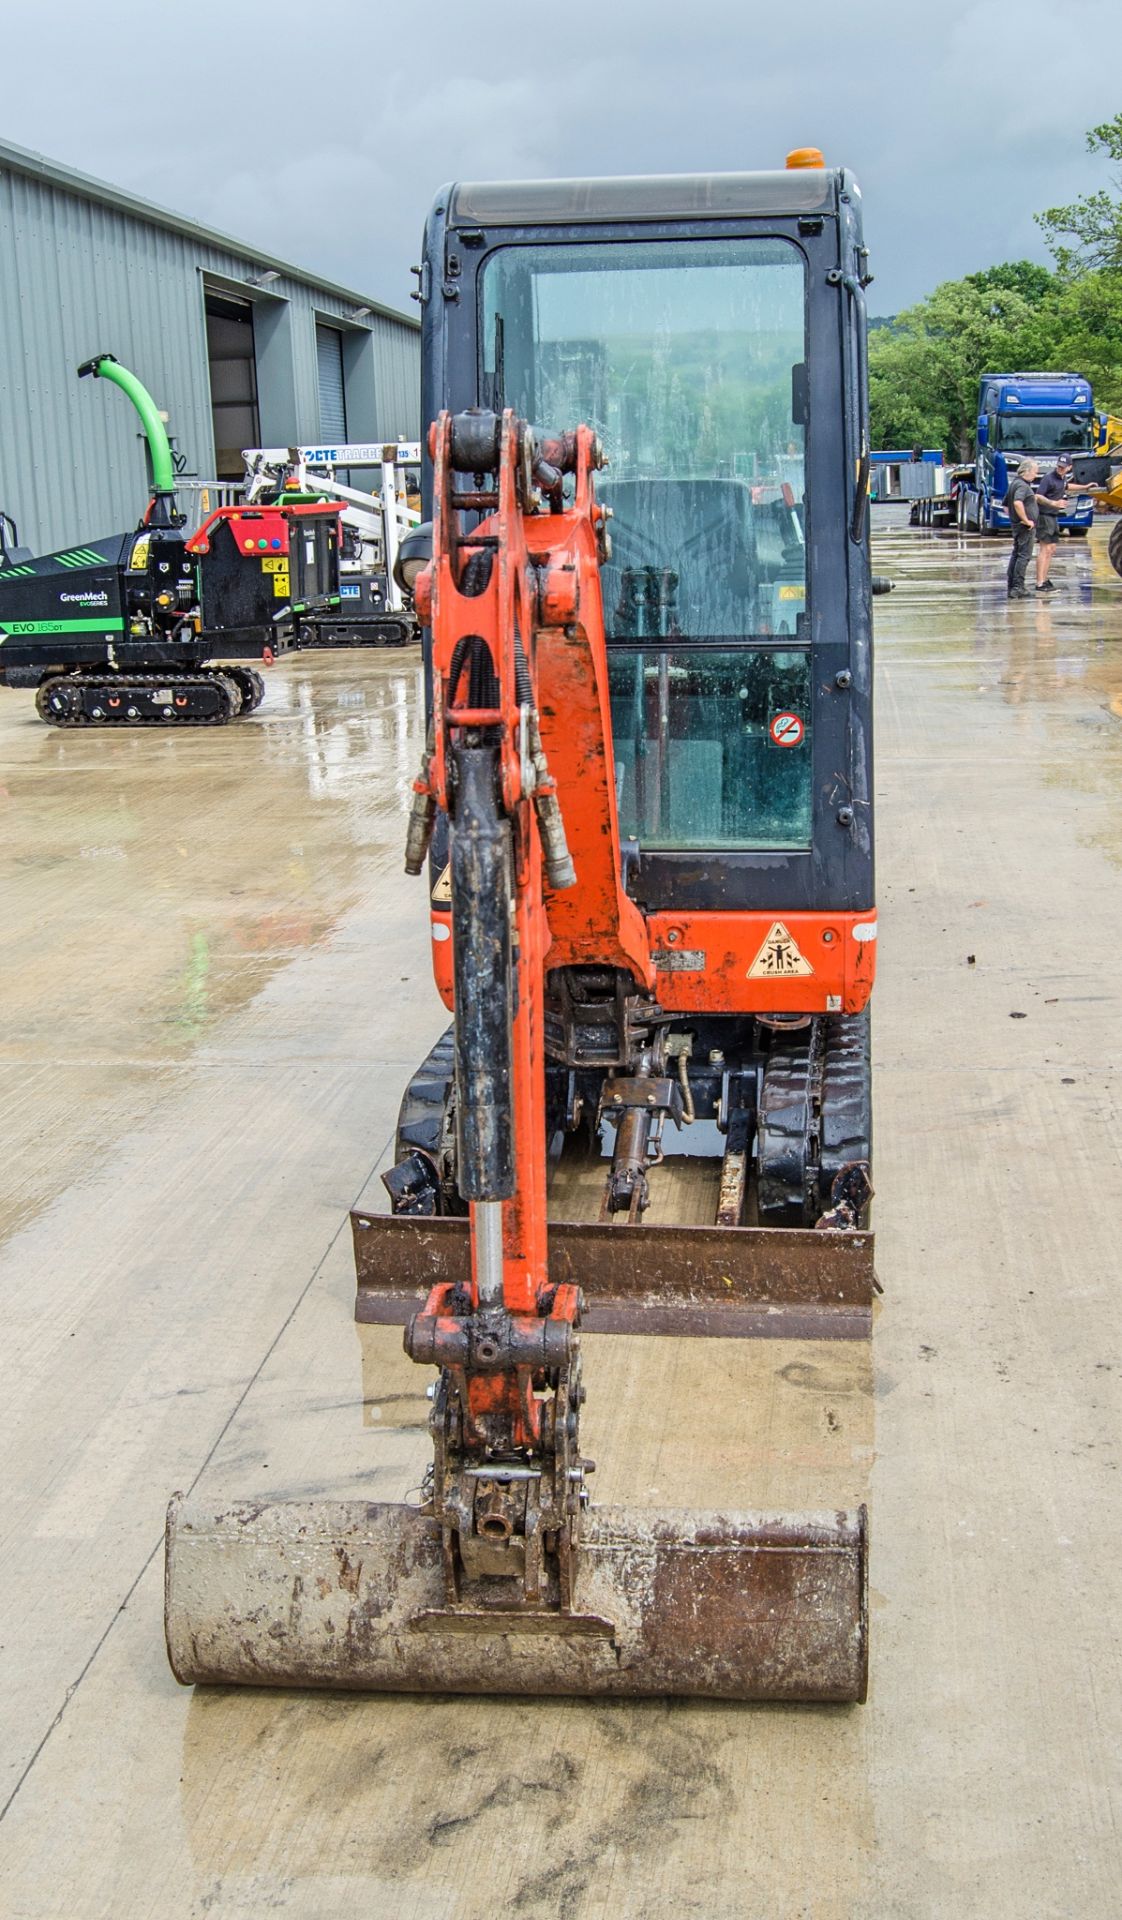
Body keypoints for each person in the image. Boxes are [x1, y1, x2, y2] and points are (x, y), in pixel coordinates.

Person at [1034, 455, 1094, 591]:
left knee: (1052, 549)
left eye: (1063, 467)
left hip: (1054, 516)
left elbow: (1067, 486)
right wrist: (1054, 503)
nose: (1060, 469)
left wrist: (1085, 487)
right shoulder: (1048, 478)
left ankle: (1045, 578)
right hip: (1045, 516)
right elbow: (1037, 496)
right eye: (1059, 466)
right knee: (1045, 549)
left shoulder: (1062, 478)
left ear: (1069, 468)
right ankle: (1039, 582)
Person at [1005, 458, 1039, 599]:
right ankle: (1018, 587)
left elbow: (1006, 506)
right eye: (1035, 472)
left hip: (1017, 525)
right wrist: (1025, 520)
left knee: (1016, 554)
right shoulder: (1022, 486)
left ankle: (1012, 585)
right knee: (1024, 556)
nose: (1036, 475)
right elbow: (1017, 503)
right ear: (1027, 471)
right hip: (1024, 527)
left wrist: (1014, 519)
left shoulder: (1014, 483)